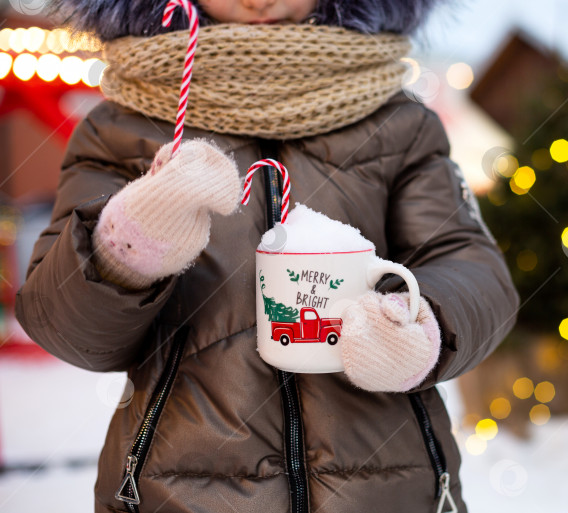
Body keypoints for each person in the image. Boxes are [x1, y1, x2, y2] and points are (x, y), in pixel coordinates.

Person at [15, 0, 519, 511]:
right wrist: (126, 247)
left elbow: (469, 264)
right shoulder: (122, 130)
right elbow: (63, 324)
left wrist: (423, 324)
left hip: (388, 488)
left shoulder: (398, 123)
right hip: (179, 494)